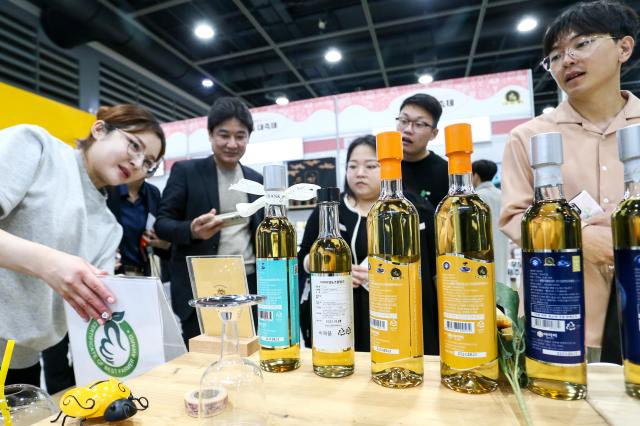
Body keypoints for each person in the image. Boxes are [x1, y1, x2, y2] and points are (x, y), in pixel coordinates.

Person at [500, 0, 640, 363]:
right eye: (555, 56)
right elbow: (513, 217)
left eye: (582, 44)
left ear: (624, 47)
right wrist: (576, 236)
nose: (567, 61)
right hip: (566, 315)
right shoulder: (529, 137)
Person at [0, 104, 165, 387]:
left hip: (20, 361)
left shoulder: (109, 227)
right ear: (99, 130)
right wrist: (49, 264)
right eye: (134, 146)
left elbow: (94, 310)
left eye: (148, 163)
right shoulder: (37, 148)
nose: (138, 163)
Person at [297, 135, 439, 355]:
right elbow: (303, 257)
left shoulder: (414, 210)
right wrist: (329, 268)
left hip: (401, 312)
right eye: (352, 166)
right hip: (343, 317)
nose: (359, 173)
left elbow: (434, 268)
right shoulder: (329, 210)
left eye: (371, 166)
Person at [155, 97, 263, 346]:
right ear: (210, 135)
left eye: (240, 136)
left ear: (248, 138)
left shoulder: (255, 180)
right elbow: (162, 223)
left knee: (248, 349)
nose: (232, 144)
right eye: (224, 135)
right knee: (201, 353)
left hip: (248, 280)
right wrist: (191, 230)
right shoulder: (186, 171)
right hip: (201, 283)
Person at [107, 177, 171, 277]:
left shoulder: (152, 193)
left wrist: (161, 244)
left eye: (154, 161)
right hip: (113, 271)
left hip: (144, 272)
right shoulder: (109, 190)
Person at [397, 93, 449, 209]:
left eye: (419, 124)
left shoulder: (446, 173)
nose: (408, 130)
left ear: (433, 134)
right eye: (404, 121)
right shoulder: (380, 167)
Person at [472, 159, 509, 286]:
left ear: (475, 176)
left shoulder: (475, 197)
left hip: (482, 245)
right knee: (502, 275)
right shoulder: (502, 194)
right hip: (503, 240)